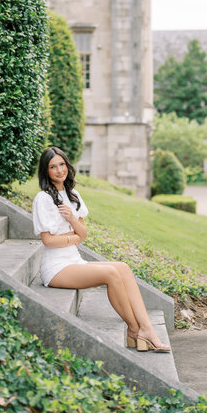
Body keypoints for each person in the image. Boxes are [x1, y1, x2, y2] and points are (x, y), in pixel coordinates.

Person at [32, 146, 171, 353]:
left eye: (62, 164)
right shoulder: (43, 198)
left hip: (74, 261)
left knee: (122, 267)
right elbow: (48, 240)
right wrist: (74, 236)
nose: (60, 170)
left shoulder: (73, 195)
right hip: (55, 268)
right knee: (110, 273)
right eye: (53, 167)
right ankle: (135, 330)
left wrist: (71, 219)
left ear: (68, 165)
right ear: (46, 171)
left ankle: (147, 329)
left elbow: (84, 235)